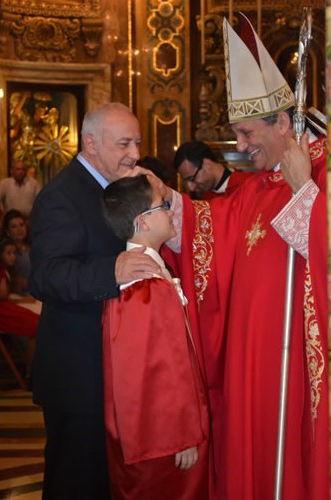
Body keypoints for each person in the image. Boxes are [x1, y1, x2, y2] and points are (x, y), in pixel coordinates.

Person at [161, 13, 328, 499]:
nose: (240, 146)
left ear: (282, 121)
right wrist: (167, 206)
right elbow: (210, 227)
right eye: (236, 134)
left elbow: (323, 247)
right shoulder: (255, 187)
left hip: (297, 357)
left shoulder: (319, 168)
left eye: (247, 133)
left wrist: (305, 190)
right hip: (250, 356)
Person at [29, 102, 162, 500]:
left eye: (137, 142)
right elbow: (45, 276)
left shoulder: (118, 185)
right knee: (76, 481)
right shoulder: (61, 195)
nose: (135, 154)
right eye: (124, 143)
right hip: (78, 374)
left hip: (115, 369)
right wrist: (112, 272)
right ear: (90, 143)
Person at [101, 174, 209, 499]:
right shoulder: (145, 285)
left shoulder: (149, 272)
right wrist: (182, 435)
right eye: (162, 206)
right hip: (164, 443)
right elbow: (155, 369)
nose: (170, 211)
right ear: (142, 222)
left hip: (165, 434)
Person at [173, 140, 252, 199]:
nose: (191, 188)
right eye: (186, 182)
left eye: (192, 179)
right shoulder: (205, 199)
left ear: (207, 164)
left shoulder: (249, 185)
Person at [0, 238, 38, 338]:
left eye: (14, 253)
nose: (12, 257)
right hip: (1, 310)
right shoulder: (1, 271)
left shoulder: (8, 271)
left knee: (35, 317)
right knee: (33, 322)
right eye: (8, 253)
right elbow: (3, 295)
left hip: (7, 303)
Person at [2, 209, 31, 296]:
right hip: (20, 296)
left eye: (21, 225)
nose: (19, 229)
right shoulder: (5, 252)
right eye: (14, 226)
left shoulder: (33, 246)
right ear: (7, 232)